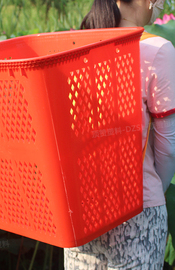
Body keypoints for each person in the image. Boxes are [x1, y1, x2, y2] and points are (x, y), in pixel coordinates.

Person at [64, 0, 175, 269]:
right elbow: (168, 144)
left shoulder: (72, 46)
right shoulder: (158, 49)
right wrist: (153, 194)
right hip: (138, 213)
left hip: (82, 211)